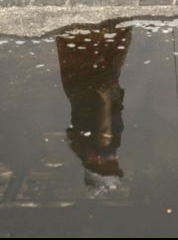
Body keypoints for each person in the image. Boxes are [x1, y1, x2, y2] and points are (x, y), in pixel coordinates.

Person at [56, 23, 132, 195]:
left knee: (94, 33)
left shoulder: (98, 144)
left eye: (108, 165)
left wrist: (105, 97)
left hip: (91, 79)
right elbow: (114, 113)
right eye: (114, 165)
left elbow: (104, 118)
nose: (113, 160)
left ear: (92, 163)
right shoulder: (100, 144)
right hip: (97, 79)